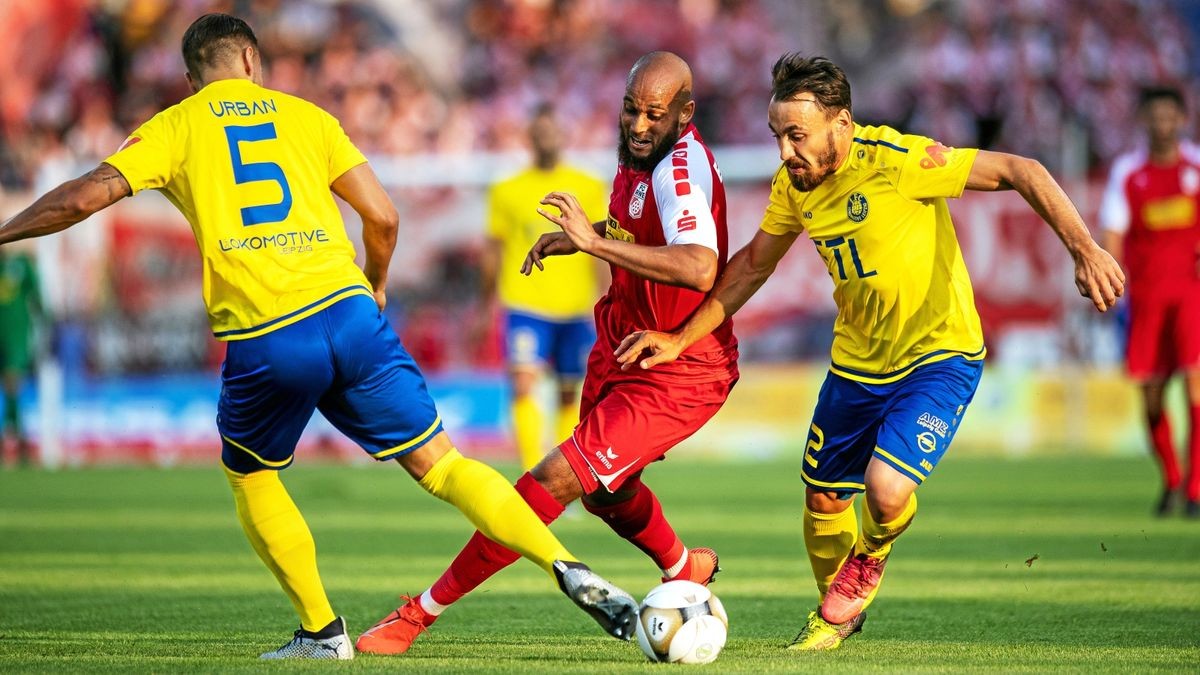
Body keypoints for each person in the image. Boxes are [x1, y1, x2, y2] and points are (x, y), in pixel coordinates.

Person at [0, 13, 637, 660]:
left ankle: (322, 630)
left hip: (269, 331)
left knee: (250, 475)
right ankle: (565, 562)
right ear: (251, 61)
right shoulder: (309, 118)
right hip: (352, 312)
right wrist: (377, 281)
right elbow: (383, 215)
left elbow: (82, 200)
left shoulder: (175, 126)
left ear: (192, 79)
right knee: (444, 465)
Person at [615, 54, 1125, 651]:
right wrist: (680, 337)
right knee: (823, 498)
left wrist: (1085, 250)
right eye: (778, 136)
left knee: (884, 492)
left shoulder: (900, 162)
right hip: (857, 362)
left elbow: (1023, 169)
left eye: (797, 136)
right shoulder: (795, 187)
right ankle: (838, 614)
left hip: (939, 355)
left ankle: (868, 563)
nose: (785, 152)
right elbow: (753, 264)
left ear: (842, 124)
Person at [354, 51, 739, 656]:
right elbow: (640, 232)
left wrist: (594, 242)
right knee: (605, 491)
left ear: (685, 114)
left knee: (551, 479)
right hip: (623, 345)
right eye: (630, 110)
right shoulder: (640, 156)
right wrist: (589, 239)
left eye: (654, 115)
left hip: (677, 367)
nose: (638, 126)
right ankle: (683, 564)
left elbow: (698, 265)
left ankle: (416, 615)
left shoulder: (681, 171)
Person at [480, 103, 608, 471]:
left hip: (575, 305)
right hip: (525, 303)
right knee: (522, 383)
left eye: (551, 131)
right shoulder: (507, 188)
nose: (545, 139)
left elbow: (600, 244)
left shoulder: (587, 184)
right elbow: (494, 248)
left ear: (563, 136)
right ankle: (530, 471)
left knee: (570, 392)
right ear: (529, 138)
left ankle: (560, 471)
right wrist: (486, 304)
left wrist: (605, 299)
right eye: (539, 133)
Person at [1100, 86, 1200, 518]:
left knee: (1197, 386)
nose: (1162, 123)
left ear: (1181, 119)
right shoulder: (1128, 171)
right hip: (1146, 298)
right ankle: (1171, 479)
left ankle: (1195, 489)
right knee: (1153, 398)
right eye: (1154, 116)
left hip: (1191, 295)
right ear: (1144, 120)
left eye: (1169, 116)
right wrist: (1109, 279)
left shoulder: (1197, 165)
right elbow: (1113, 235)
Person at [0, 245, 42, 466]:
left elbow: (37, 297)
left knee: (11, 385)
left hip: (15, 334)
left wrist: (47, 328)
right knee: (10, 389)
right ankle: (20, 440)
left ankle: (19, 442)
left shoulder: (20, 265)